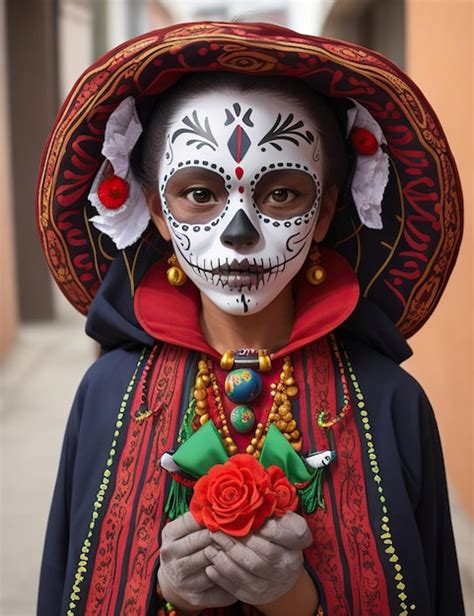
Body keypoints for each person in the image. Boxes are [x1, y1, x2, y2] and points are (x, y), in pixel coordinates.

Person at [36, 21, 465, 616]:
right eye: (201, 193)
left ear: (325, 212)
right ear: (156, 211)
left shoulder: (391, 401)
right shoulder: (107, 396)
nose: (240, 234)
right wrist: (172, 596)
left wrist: (294, 597)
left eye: (281, 194)